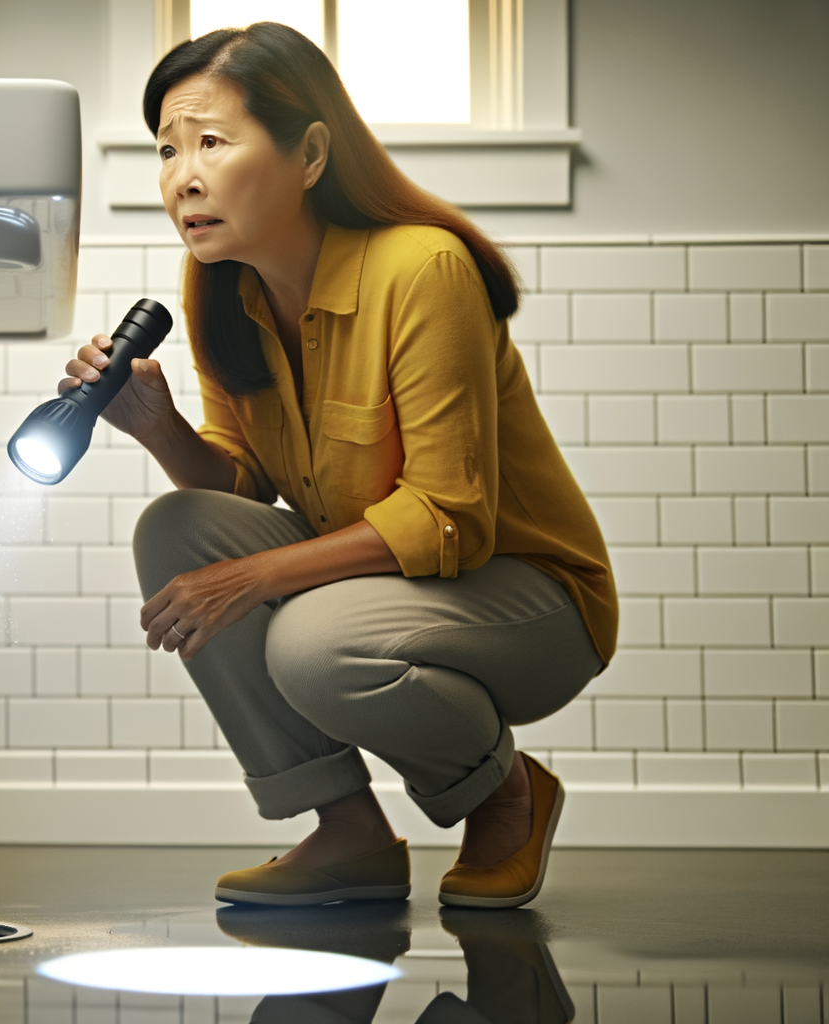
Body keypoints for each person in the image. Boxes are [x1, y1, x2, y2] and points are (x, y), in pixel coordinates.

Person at [57, 22, 615, 909]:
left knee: (312, 647)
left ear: (310, 153)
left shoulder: (422, 269)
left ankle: (506, 792)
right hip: (386, 588)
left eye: (211, 141)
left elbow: (449, 517)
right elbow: (243, 479)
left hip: (531, 599)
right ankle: (350, 833)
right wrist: (158, 428)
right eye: (166, 149)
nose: (182, 176)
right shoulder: (222, 286)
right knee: (178, 530)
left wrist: (251, 578)